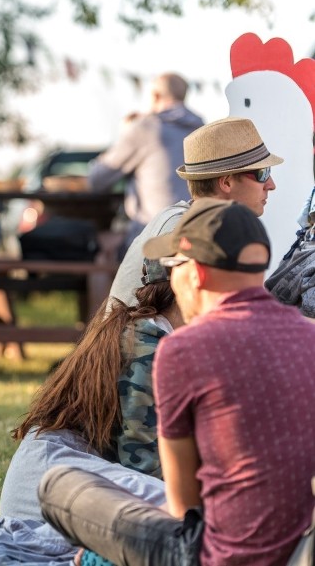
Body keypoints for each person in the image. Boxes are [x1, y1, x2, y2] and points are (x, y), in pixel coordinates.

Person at [39, 199, 315, 565]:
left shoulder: (182, 349)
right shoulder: (309, 335)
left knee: (58, 485)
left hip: (215, 554)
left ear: (196, 272)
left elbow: (184, 507)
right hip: (298, 551)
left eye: (172, 265)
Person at [1, 258, 181, 521]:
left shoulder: (150, 333)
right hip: (52, 481)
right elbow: (143, 465)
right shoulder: (147, 350)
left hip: (63, 478)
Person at [108, 115, 282, 307]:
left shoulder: (190, 222)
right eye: (262, 173)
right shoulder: (186, 230)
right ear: (226, 182)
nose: (271, 185)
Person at [87, 72, 203, 252]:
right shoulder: (202, 129)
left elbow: (97, 179)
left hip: (151, 237)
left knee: (99, 248)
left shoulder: (147, 127)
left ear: (155, 96)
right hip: (197, 235)